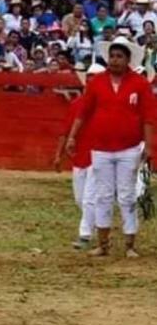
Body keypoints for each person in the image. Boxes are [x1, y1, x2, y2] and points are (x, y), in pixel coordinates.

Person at [66, 37, 155, 257]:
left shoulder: (140, 84)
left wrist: (149, 145)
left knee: (127, 195)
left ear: (128, 60)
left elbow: (148, 118)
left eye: (119, 56)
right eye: (112, 56)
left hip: (129, 147)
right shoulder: (97, 83)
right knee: (103, 195)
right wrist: (72, 137)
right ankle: (103, 244)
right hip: (101, 147)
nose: (114, 60)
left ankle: (129, 244)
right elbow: (83, 113)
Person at [54, 64, 106, 250]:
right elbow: (65, 131)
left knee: (89, 198)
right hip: (80, 157)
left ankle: (85, 235)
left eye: (95, 77)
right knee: (80, 199)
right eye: (89, 76)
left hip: (99, 156)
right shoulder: (77, 104)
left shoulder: (107, 104)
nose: (91, 80)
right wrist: (58, 155)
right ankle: (100, 223)